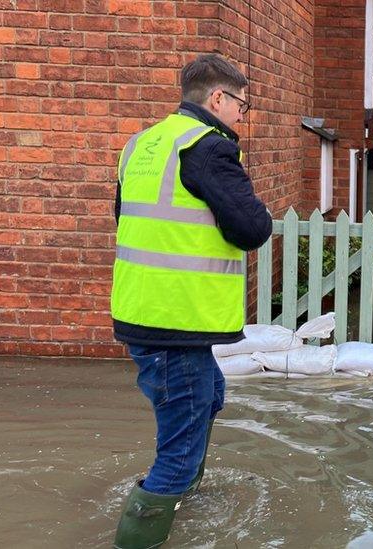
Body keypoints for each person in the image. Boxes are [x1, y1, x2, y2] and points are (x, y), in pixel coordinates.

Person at [110, 53, 272, 548]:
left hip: (144, 311)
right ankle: (142, 530)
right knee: (179, 447)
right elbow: (252, 228)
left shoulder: (141, 144)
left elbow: (125, 218)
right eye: (242, 105)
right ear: (218, 99)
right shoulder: (208, 149)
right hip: (175, 321)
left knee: (209, 399)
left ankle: (184, 496)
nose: (243, 116)